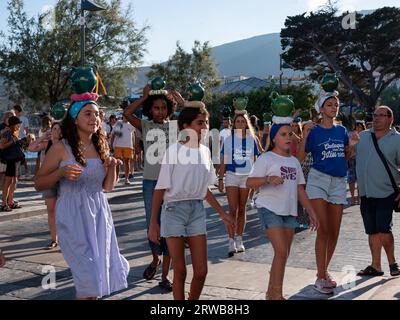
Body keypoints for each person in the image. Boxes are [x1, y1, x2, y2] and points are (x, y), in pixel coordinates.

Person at [34, 98, 129, 299]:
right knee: (89, 281)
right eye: (88, 113)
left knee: (95, 281)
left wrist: (112, 166)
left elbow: (107, 187)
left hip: (99, 216)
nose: (94, 118)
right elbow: (39, 183)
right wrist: (61, 173)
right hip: (72, 215)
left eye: (97, 114)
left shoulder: (101, 145)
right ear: (75, 119)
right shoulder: (61, 148)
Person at [148, 104, 235, 300]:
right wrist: (153, 223)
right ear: (185, 126)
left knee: (202, 271)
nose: (204, 127)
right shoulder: (173, 151)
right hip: (173, 211)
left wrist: (223, 214)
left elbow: (204, 190)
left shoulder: (205, 152)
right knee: (180, 271)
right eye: (199, 123)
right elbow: (160, 189)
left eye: (206, 122)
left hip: (196, 210)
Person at [247, 123, 318, 300]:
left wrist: (311, 212)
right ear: (274, 138)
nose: (288, 137)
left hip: (289, 212)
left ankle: (271, 293)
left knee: (283, 254)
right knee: (280, 252)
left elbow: (300, 189)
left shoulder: (294, 161)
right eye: (283, 134)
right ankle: (277, 295)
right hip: (269, 208)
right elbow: (249, 183)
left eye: (290, 134)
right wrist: (268, 179)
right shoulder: (266, 158)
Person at [297, 92, 358, 294]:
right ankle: (321, 276)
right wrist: (304, 135)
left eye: (336, 104)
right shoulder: (314, 131)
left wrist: (352, 147)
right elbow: (300, 157)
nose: (334, 107)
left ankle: (323, 272)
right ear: (321, 109)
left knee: (334, 231)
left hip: (339, 182)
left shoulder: (342, 131)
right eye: (330, 105)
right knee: (323, 230)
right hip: (318, 180)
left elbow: (346, 156)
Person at [124, 84, 177, 290]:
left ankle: (165, 275)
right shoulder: (145, 126)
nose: (160, 111)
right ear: (149, 110)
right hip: (151, 182)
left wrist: (181, 101)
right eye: (156, 108)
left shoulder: (175, 126)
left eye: (164, 107)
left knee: (170, 227)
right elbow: (127, 112)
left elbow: (197, 116)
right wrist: (143, 96)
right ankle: (155, 259)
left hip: (172, 182)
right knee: (152, 225)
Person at [355, 106, 400, 277]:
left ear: (390, 119)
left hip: (386, 192)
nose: (376, 118)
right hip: (366, 193)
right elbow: (349, 155)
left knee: (383, 229)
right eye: (374, 115)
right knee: (372, 230)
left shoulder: (397, 140)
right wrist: (351, 147)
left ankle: (393, 263)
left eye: (381, 115)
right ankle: (376, 266)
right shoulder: (364, 136)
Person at [218, 113, 260, 256]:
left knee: (242, 209)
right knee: (232, 209)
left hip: (246, 177)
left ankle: (239, 239)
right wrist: (220, 179)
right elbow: (224, 160)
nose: (240, 124)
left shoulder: (251, 140)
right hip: (231, 176)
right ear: (234, 124)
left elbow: (254, 161)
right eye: (238, 121)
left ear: (246, 124)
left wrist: (256, 180)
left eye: (243, 121)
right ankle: (230, 241)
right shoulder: (229, 140)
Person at [29, 122, 62, 249]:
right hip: (48, 180)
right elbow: (31, 148)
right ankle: (54, 239)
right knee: (51, 210)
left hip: (62, 180)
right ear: (50, 130)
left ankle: (66, 239)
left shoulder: (65, 145)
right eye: (54, 129)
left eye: (59, 129)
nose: (57, 131)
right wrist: (42, 137)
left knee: (64, 211)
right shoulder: (47, 144)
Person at [1, 116, 24, 212]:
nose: (19, 125)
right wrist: (13, 141)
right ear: (13, 124)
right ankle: (3, 203)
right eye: (18, 124)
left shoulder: (14, 132)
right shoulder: (7, 132)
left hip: (15, 160)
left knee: (13, 181)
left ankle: (10, 201)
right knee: (8, 182)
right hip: (11, 159)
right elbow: (1, 146)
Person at [111, 115, 135, 185]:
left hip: (128, 146)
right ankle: (116, 177)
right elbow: (114, 135)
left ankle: (126, 179)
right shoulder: (119, 123)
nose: (127, 118)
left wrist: (133, 146)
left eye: (128, 116)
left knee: (127, 162)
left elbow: (133, 135)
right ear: (123, 117)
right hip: (118, 146)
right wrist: (111, 144)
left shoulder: (131, 125)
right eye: (125, 116)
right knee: (117, 162)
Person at [13, 105, 30, 177]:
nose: (13, 111)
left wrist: (28, 139)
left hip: (22, 139)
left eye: (14, 110)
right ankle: (18, 172)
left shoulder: (24, 119)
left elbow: (27, 130)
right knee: (16, 155)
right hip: (14, 139)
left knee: (22, 156)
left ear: (17, 110)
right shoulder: (12, 118)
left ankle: (27, 170)